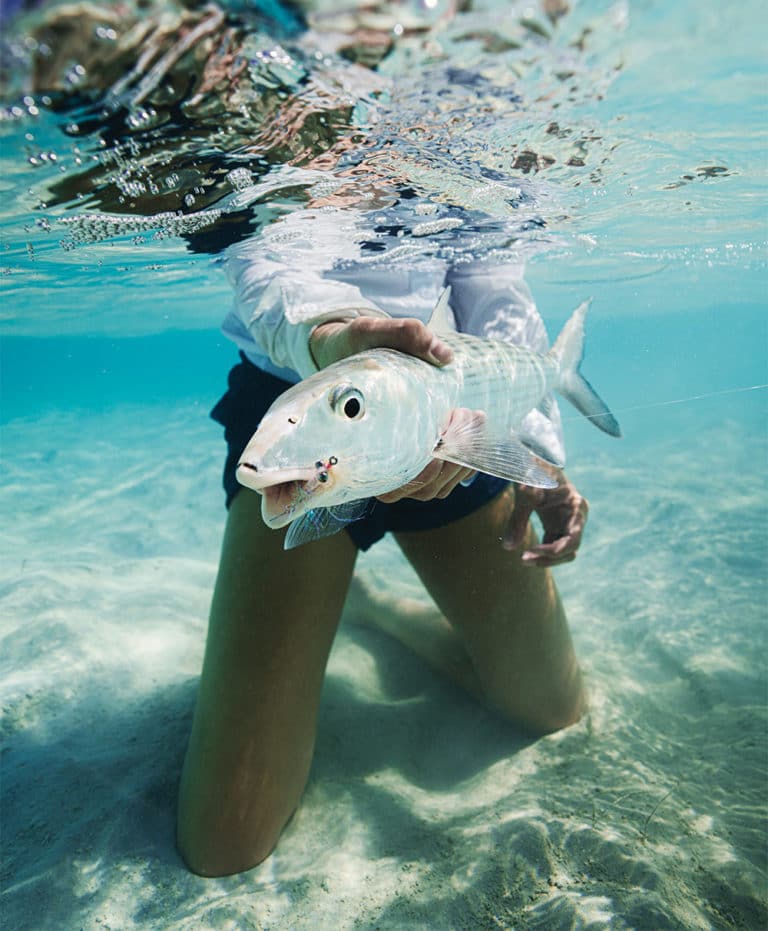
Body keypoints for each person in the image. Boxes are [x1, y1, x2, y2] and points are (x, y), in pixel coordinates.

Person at [176, 237, 590, 878]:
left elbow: (494, 284)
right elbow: (262, 260)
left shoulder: (468, 144)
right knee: (225, 842)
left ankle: (377, 611)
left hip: (456, 413)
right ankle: (339, 601)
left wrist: (537, 445)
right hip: (299, 410)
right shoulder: (255, 145)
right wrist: (330, 334)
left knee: (551, 709)